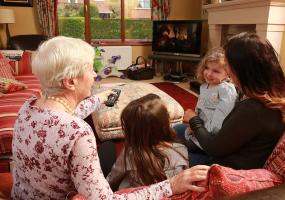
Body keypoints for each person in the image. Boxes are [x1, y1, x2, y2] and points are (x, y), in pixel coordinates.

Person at [11, 36, 209, 200]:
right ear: (71, 81)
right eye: (90, 69)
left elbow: (59, 123)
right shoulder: (79, 132)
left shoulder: (28, 107)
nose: (95, 74)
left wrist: (98, 100)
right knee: (107, 147)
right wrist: (171, 185)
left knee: (107, 150)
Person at [175, 32, 285, 170]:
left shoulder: (254, 109)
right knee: (177, 129)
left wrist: (194, 120)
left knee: (165, 155)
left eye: (227, 65)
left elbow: (213, 148)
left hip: (221, 166)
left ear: (242, 70)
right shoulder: (264, 92)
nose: (226, 69)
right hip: (224, 146)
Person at [106, 93, 189, 191]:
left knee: (107, 146)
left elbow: (113, 179)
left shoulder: (130, 152)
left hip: (133, 195)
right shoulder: (180, 149)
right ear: (166, 123)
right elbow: (183, 181)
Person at [180, 48, 237, 157]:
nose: (209, 74)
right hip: (198, 130)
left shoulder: (226, 90)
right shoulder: (204, 86)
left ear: (228, 74)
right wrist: (192, 125)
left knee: (176, 145)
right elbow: (199, 110)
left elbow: (217, 126)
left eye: (216, 71)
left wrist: (197, 128)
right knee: (175, 133)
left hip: (209, 138)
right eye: (207, 68)